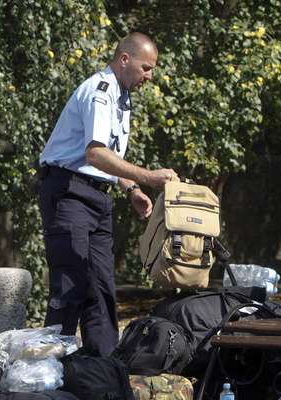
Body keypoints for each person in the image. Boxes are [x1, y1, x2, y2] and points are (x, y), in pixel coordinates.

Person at [38, 32, 178, 357]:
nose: (149, 76)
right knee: (69, 287)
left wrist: (132, 188)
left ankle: (104, 375)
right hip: (69, 193)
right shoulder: (99, 92)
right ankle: (42, 379)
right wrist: (149, 177)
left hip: (98, 198)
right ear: (124, 59)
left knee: (102, 290)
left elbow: (108, 159)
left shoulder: (121, 97)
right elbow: (95, 155)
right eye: (146, 68)